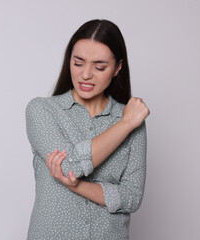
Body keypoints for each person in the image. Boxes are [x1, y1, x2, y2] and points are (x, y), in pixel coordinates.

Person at [25, 19, 150, 240]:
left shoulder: (132, 118)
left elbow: (131, 197)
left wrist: (77, 186)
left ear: (117, 68)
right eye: (78, 62)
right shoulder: (42, 111)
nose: (85, 75)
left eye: (99, 66)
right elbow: (71, 165)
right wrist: (125, 124)